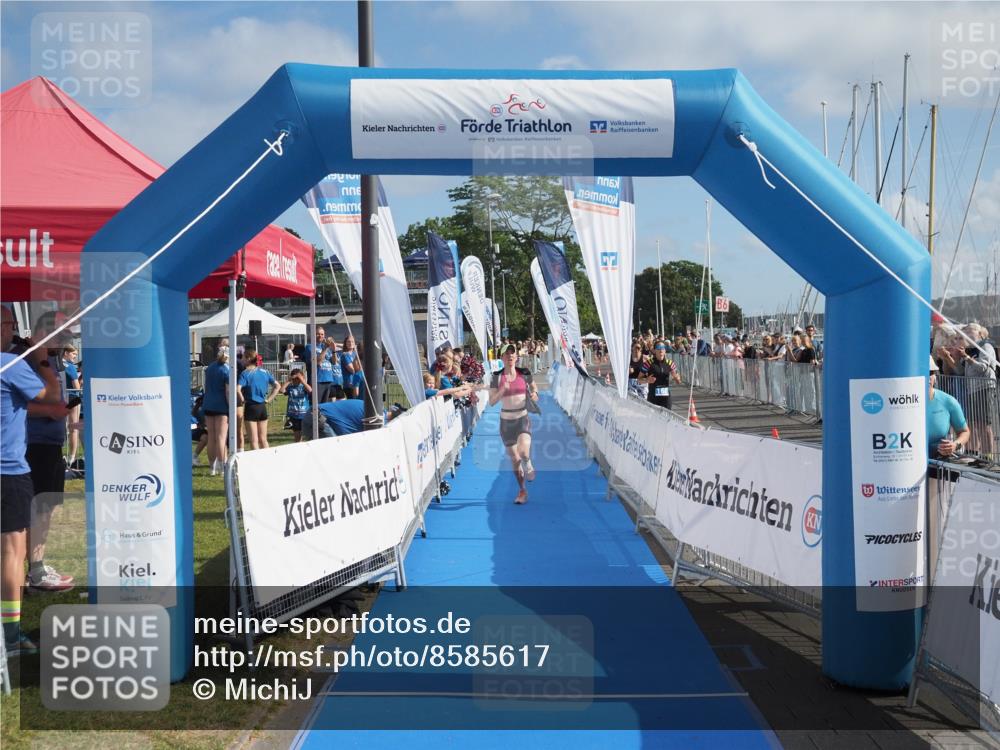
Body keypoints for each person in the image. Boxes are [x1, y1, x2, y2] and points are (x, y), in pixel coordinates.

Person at [2, 306, 64, 655]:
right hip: (9, 469)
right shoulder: (11, 363)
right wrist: (40, 359)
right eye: (10, 324)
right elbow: (52, 395)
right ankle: (10, 637)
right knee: (12, 553)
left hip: (15, 465)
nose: (14, 331)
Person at [25, 312, 76, 593]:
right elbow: (51, 398)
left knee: (47, 509)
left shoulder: (50, 361)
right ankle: (35, 570)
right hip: (35, 445)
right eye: (56, 333)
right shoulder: (32, 361)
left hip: (50, 445)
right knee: (37, 510)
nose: (62, 338)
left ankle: (38, 565)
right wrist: (53, 410)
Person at [488, 344, 539, 505]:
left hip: (522, 419)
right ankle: (522, 490)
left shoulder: (524, 373)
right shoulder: (496, 377)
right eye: (507, 353)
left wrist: (535, 393)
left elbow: (533, 386)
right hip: (506, 423)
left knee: (524, 453)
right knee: (515, 460)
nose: (510, 356)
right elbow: (491, 402)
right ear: (502, 358)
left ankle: (529, 465)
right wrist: (503, 389)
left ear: (516, 357)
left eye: (513, 353)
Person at [927, 356, 970, 458]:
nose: (927, 377)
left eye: (930, 373)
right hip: (909, 461)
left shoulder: (948, 401)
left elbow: (964, 432)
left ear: (935, 377)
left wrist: (955, 445)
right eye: (921, 373)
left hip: (938, 461)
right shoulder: (900, 402)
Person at [238, 350, 279, 450]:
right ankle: (268, 461)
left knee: (254, 440)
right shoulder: (265, 372)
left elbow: (237, 389)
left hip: (251, 407)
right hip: (262, 407)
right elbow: (277, 386)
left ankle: (256, 463)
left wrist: (242, 399)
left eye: (243, 357)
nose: (242, 360)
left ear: (248, 359)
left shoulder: (245, 373)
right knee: (263, 439)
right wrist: (269, 399)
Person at [202, 348, 231, 475]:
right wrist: (231, 408)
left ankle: (212, 468)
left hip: (208, 404)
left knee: (211, 438)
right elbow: (228, 392)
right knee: (221, 438)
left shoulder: (209, 368)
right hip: (221, 406)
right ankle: (223, 466)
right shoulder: (227, 370)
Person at [641, 340, 681, 410]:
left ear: (665, 350)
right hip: (653, 397)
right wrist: (647, 380)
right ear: (654, 350)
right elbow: (639, 380)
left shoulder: (670, 363)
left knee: (667, 419)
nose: (661, 350)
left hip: (666, 397)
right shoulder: (648, 363)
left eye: (663, 347)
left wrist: (676, 378)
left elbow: (678, 381)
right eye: (658, 348)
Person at [303, 327, 339, 404]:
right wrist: (325, 349)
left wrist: (333, 350)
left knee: (324, 406)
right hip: (317, 380)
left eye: (322, 334)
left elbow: (334, 362)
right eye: (318, 334)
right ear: (313, 335)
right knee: (316, 406)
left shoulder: (326, 347)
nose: (320, 336)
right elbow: (318, 362)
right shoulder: (310, 347)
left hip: (328, 379)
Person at [281, 368, 312, 443]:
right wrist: (289, 380)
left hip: (304, 415)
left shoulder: (304, 387)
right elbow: (281, 390)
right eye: (295, 379)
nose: (296, 380)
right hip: (294, 415)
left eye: (298, 378)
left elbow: (310, 390)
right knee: (297, 437)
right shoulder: (290, 387)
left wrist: (302, 380)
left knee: (308, 436)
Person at [62, 345, 81, 466]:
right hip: (73, 397)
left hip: (62, 398)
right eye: (73, 354)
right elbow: (77, 387)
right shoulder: (70, 367)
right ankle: (72, 458)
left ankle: (67, 457)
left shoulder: (59, 365)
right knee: (73, 427)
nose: (75, 357)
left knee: (65, 427)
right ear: (66, 353)